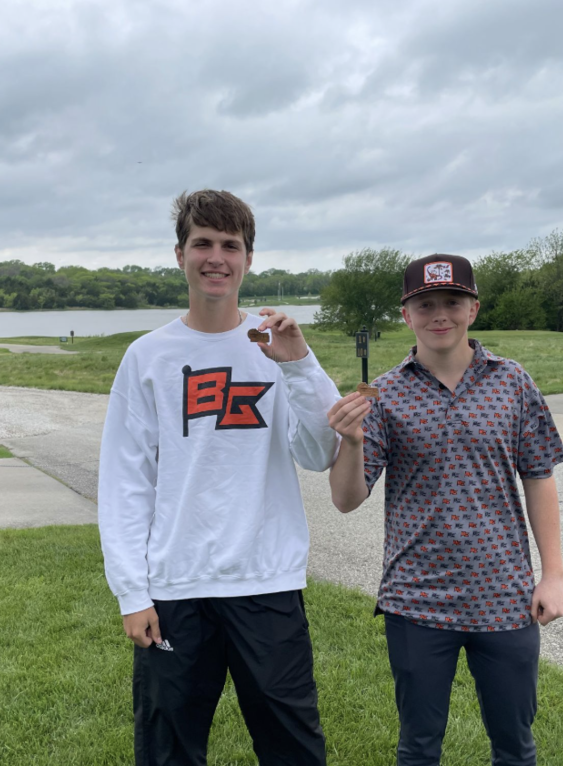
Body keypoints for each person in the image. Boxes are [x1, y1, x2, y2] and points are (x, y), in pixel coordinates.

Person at [98, 189, 339, 766]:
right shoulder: (148, 356)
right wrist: (133, 592)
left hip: (267, 580)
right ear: (179, 254)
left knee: (293, 745)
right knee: (168, 749)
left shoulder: (275, 346)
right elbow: (126, 484)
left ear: (248, 258)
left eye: (230, 245)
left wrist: (300, 362)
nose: (216, 258)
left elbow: (322, 450)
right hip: (176, 587)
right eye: (202, 243)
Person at [327, 254, 563, 766]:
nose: (441, 314)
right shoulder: (385, 394)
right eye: (426, 304)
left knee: (515, 745)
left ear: (473, 308)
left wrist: (553, 576)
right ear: (406, 314)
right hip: (417, 599)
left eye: (452, 302)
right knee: (418, 746)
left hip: (506, 596)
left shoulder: (512, 382)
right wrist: (350, 443)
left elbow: (540, 477)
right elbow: (346, 500)